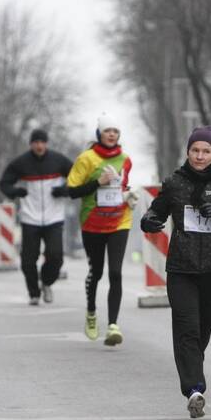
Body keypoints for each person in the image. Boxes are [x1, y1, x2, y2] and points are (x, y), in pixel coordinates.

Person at [141, 126, 211, 419]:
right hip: (181, 268)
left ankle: (193, 370)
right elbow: (155, 211)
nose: (200, 156)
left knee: (201, 333)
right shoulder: (175, 183)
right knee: (187, 329)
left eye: (206, 151)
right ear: (187, 152)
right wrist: (149, 221)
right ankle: (194, 389)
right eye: (195, 150)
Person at [67, 114, 137, 345]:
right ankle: (91, 313)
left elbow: (123, 186)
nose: (112, 134)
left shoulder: (126, 159)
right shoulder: (86, 159)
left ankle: (113, 326)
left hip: (119, 221)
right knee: (96, 272)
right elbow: (73, 191)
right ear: (100, 134)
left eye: (116, 131)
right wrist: (99, 182)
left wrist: (129, 196)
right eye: (108, 130)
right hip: (92, 223)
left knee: (115, 272)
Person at [0, 128, 73, 305]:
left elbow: (78, 176)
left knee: (56, 256)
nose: (39, 145)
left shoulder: (58, 160)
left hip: (54, 216)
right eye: (35, 142)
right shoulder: (21, 163)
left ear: (46, 143)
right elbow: (4, 183)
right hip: (30, 217)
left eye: (42, 142)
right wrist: (16, 191)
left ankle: (46, 282)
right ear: (31, 144)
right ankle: (34, 293)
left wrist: (65, 190)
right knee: (27, 260)